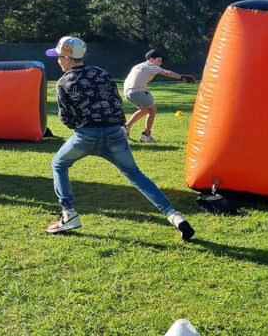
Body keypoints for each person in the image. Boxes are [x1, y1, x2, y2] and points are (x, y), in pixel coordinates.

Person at [45, 35, 195, 241]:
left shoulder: (63, 82)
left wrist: (82, 128)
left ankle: (68, 214)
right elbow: (116, 104)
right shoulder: (102, 73)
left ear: (68, 59)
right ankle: (173, 215)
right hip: (115, 133)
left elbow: (65, 117)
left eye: (60, 57)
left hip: (86, 135)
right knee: (135, 174)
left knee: (58, 164)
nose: (58, 60)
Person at [122, 49, 195, 143]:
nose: (160, 63)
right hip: (137, 91)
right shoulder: (150, 65)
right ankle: (146, 136)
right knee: (152, 109)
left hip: (128, 93)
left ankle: (124, 129)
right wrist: (182, 77)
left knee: (144, 110)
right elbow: (166, 72)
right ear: (151, 60)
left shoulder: (138, 66)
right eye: (159, 61)